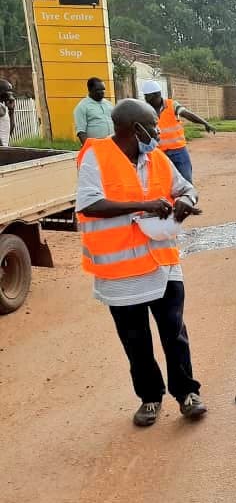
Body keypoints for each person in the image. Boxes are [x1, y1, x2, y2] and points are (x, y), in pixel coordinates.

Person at [75, 98, 207, 427]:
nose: (158, 131)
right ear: (135, 128)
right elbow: (91, 204)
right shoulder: (96, 156)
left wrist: (185, 203)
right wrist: (144, 204)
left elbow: (186, 188)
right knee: (136, 341)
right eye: (152, 124)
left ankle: (187, 393)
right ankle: (150, 398)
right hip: (120, 273)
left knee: (174, 332)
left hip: (162, 264)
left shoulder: (156, 158)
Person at [140, 80, 215, 183]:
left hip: (178, 151)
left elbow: (186, 114)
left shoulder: (172, 105)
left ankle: (188, 198)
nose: (146, 100)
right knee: (163, 182)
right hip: (159, 153)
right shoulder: (145, 110)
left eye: (148, 97)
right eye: (145, 96)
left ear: (157, 95)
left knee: (186, 180)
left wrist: (204, 122)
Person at [73, 77, 114, 146]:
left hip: (112, 145)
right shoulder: (82, 107)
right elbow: (81, 132)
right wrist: (89, 148)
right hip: (96, 147)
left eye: (103, 89)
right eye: (98, 90)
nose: (102, 92)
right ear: (90, 90)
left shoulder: (109, 104)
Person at [0, 79, 14, 147]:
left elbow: (9, 130)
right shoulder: (1, 108)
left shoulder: (2, 108)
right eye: (8, 92)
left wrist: (11, 110)